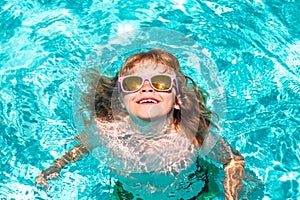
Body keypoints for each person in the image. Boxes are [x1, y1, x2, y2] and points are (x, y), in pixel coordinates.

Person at [36, 49, 244, 199]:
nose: (146, 88)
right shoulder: (107, 130)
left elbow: (232, 160)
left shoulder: (192, 134)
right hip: (128, 196)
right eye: (133, 83)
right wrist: (56, 167)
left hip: (194, 193)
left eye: (160, 83)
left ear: (178, 99)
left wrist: (232, 194)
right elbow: (83, 147)